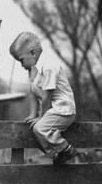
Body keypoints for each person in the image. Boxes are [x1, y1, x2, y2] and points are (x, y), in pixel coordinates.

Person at [10, 32, 78, 165]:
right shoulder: (34, 70)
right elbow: (33, 93)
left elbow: (46, 97)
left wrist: (40, 118)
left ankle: (66, 149)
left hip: (63, 110)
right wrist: (32, 115)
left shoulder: (49, 66)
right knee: (35, 128)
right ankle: (56, 154)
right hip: (53, 112)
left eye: (21, 60)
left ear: (33, 53)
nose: (21, 65)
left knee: (39, 129)